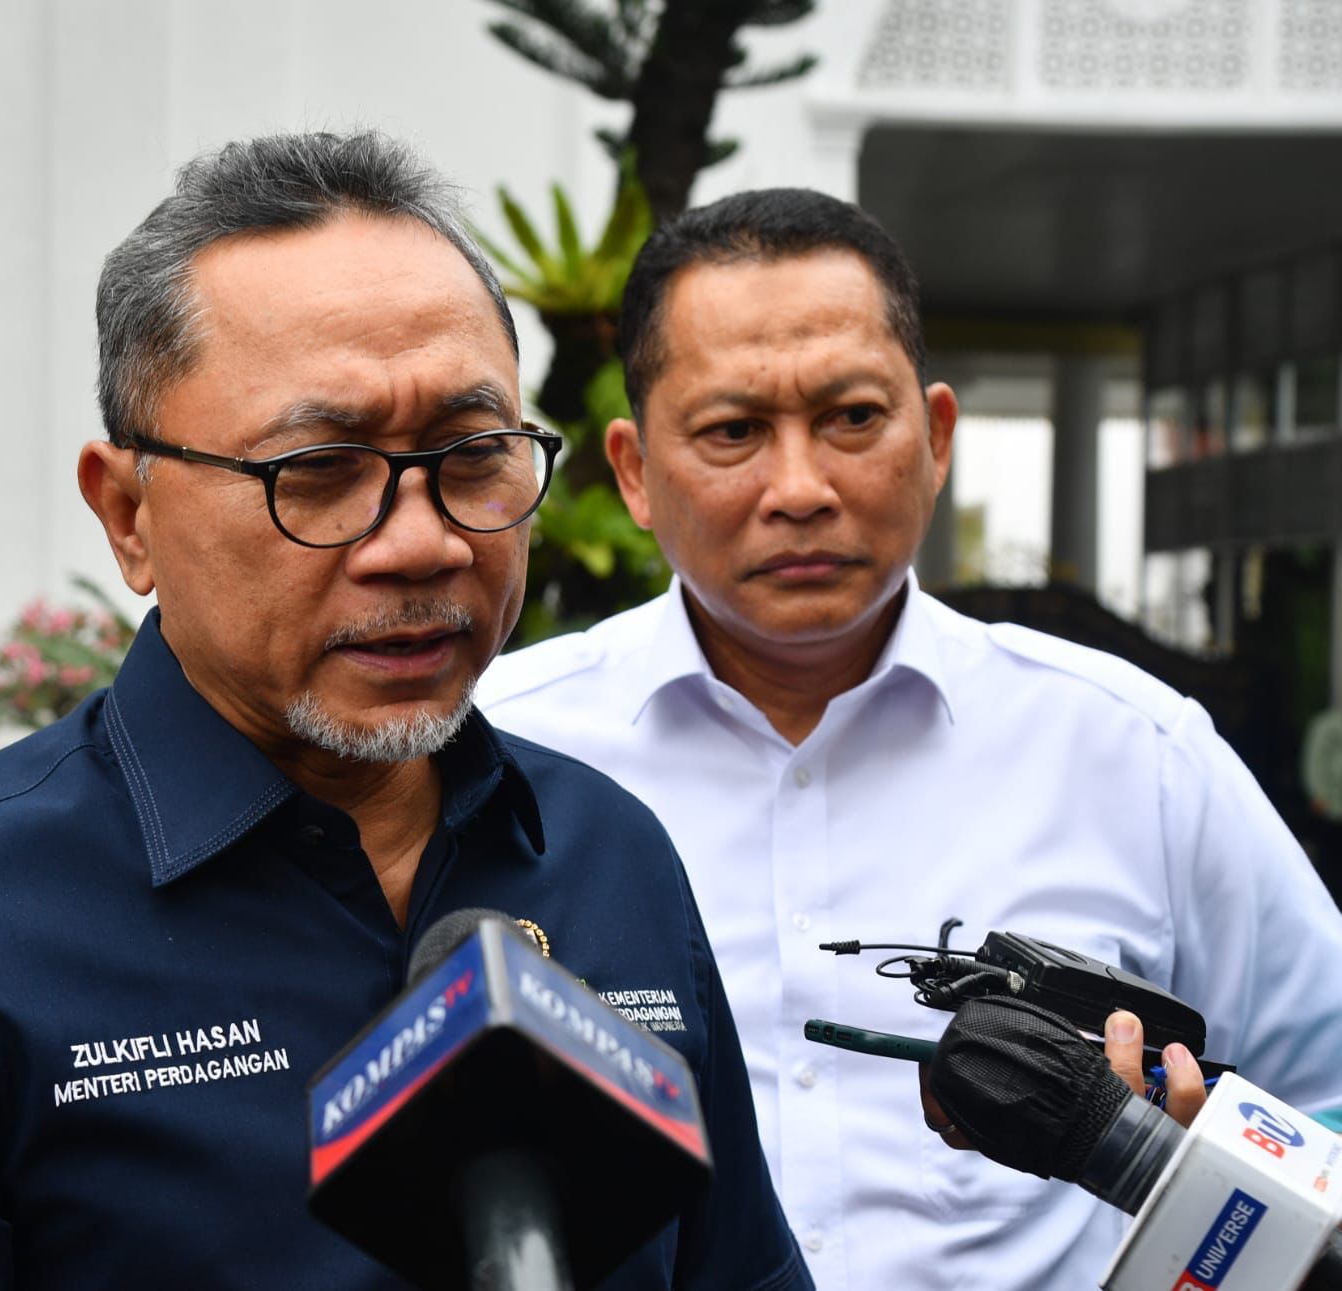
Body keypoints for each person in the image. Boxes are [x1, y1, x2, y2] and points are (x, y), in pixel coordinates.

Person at [0, 134, 810, 1291]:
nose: (422, 542)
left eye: (474, 453)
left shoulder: (607, 852)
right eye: (317, 468)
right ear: (128, 515)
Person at [478, 186, 1342, 1291]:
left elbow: (1325, 1088)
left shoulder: (1136, 755)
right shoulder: (502, 750)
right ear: (635, 471)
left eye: (851, 417)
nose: (800, 488)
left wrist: (1191, 1159)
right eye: (733, 431)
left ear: (934, 437)